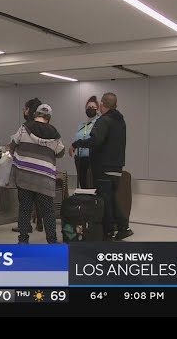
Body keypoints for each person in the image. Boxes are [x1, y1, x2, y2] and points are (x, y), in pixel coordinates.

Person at [71, 92, 132, 240]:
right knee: (111, 198)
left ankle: (108, 232)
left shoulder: (104, 121)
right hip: (117, 167)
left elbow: (96, 141)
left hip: (104, 166)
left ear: (101, 105)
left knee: (105, 201)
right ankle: (124, 227)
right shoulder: (120, 120)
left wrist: (77, 144)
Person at [9, 104, 65, 244]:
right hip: (44, 179)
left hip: (25, 177)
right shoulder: (54, 134)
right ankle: (51, 241)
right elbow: (60, 152)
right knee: (48, 211)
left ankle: (23, 240)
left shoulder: (24, 128)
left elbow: (13, 144)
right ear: (49, 117)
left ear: (35, 114)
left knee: (25, 209)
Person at [12, 97, 42, 233]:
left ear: (29, 110)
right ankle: (40, 223)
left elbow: (14, 142)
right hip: (40, 168)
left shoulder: (25, 128)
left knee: (24, 200)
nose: (23, 111)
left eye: (25, 108)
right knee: (39, 197)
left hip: (25, 168)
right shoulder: (45, 128)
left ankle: (24, 226)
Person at [69, 96, 100, 188]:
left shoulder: (99, 124)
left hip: (91, 160)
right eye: (88, 107)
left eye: (93, 107)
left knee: (90, 185)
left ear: (97, 110)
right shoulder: (82, 125)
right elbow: (78, 138)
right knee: (83, 185)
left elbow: (94, 140)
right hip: (80, 159)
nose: (90, 109)